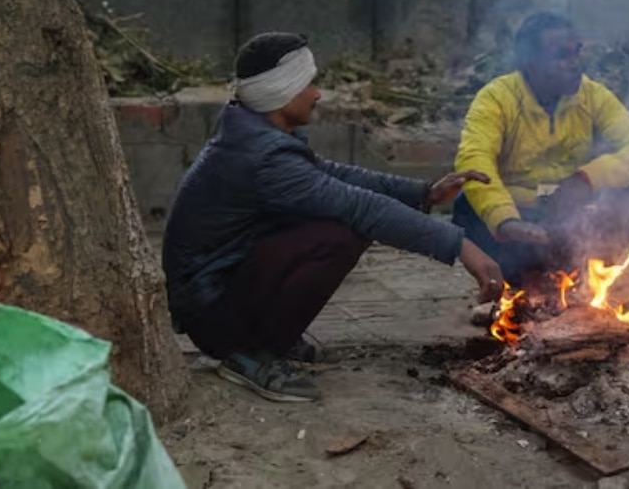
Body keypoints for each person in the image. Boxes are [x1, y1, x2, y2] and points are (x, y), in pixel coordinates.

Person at [162, 32, 505, 403]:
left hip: (212, 294)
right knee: (340, 233)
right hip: (210, 311)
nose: (317, 93)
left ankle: (259, 336)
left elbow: (334, 176)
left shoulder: (252, 133)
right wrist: (462, 246)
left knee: (335, 221)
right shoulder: (265, 156)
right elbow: (362, 207)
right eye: (309, 83)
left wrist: (423, 193)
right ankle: (248, 353)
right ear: (282, 91)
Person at [452, 12, 629, 301]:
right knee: (467, 204)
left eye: (576, 52)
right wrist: (505, 221)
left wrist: (586, 179)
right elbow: (474, 162)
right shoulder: (496, 98)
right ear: (530, 62)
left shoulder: (591, 95)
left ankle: (577, 279)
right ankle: (520, 288)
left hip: (572, 218)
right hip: (519, 220)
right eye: (562, 56)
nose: (575, 63)